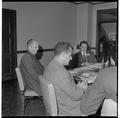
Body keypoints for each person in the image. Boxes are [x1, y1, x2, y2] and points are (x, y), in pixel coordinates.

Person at [43, 41, 88, 116]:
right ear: (63, 55)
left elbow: (64, 87)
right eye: (70, 55)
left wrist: (77, 87)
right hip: (69, 109)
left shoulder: (49, 66)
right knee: (96, 100)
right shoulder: (61, 73)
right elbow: (76, 96)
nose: (71, 58)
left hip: (60, 103)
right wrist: (83, 88)